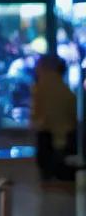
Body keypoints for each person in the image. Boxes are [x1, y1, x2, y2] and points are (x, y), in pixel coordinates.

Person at [31, 54, 77, 182]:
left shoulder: (40, 88)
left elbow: (37, 117)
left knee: (49, 183)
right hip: (66, 141)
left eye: (38, 66)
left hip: (48, 140)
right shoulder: (66, 91)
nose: (35, 69)